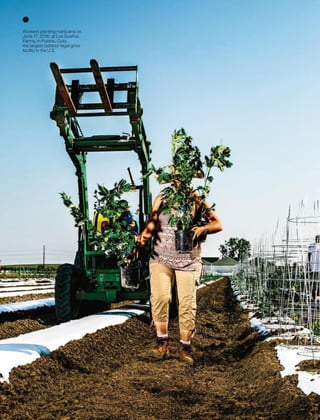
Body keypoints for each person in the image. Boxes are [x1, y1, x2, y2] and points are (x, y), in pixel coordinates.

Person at [131, 193, 222, 365]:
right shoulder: (162, 198)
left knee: (186, 303)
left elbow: (217, 224)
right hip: (160, 257)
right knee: (160, 297)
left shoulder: (197, 201)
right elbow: (151, 224)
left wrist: (203, 229)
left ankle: (184, 348)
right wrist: (138, 245)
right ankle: (161, 345)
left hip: (188, 260)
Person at [308, 235, 320, 300]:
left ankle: (315, 297)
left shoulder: (312, 246)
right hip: (314, 267)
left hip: (315, 267)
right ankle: (314, 298)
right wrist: (309, 264)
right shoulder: (312, 246)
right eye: (317, 239)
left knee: (315, 282)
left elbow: (309, 255)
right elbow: (309, 255)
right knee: (314, 283)